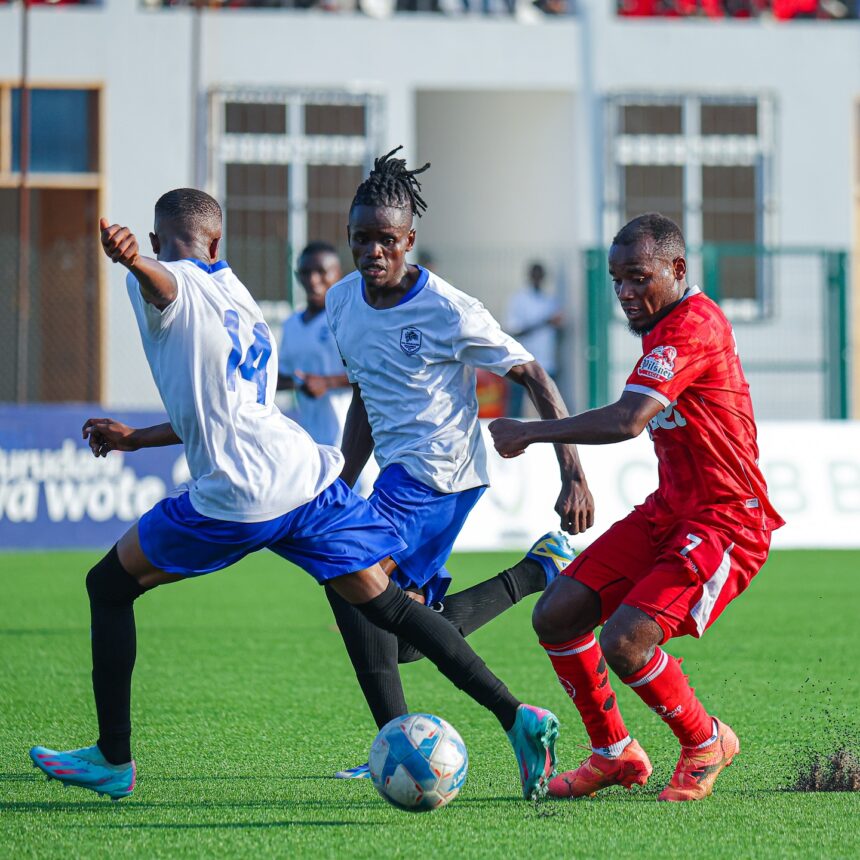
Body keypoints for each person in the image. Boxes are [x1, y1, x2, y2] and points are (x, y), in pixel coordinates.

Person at [28, 189, 562, 802]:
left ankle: (112, 758)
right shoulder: (236, 293)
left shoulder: (167, 279)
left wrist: (131, 262)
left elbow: (164, 288)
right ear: (219, 245)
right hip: (303, 476)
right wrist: (138, 438)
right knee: (386, 608)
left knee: (108, 586)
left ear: (157, 242)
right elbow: (222, 407)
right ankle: (515, 714)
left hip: (240, 493)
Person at [490, 213, 784, 802]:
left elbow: (628, 420)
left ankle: (706, 741)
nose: (625, 293)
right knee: (557, 614)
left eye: (638, 277)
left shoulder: (694, 325)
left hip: (728, 520)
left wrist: (531, 431)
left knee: (625, 641)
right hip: (669, 512)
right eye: (616, 279)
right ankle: (615, 753)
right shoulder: (659, 323)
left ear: (677, 270)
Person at [324, 148, 595, 779]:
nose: (373, 253)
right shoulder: (343, 304)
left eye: (386, 241)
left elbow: (531, 371)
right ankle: (537, 571)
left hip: (440, 474)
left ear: (410, 239)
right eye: (361, 239)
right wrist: (341, 482)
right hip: (397, 476)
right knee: (398, 634)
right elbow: (366, 392)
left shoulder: (448, 309)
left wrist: (572, 471)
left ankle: (405, 742)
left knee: (347, 573)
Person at [277, 241, 351, 446]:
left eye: (321, 271)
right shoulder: (291, 324)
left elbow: (370, 374)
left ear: (338, 273)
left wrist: (326, 383)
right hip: (311, 441)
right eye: (305, 272)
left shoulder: (349, 319)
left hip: (349, 439)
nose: (313, 280)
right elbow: (286, 376)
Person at [504, 262, 563, 417]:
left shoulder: (549, 300)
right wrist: (545, 322)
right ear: (529, 277)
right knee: (516, 405)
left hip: (547, 361)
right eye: (535, 276)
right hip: (523, 360)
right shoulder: (519, 300)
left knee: (549, 403)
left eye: (540, 276)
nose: (538, 279)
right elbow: (515, 331)